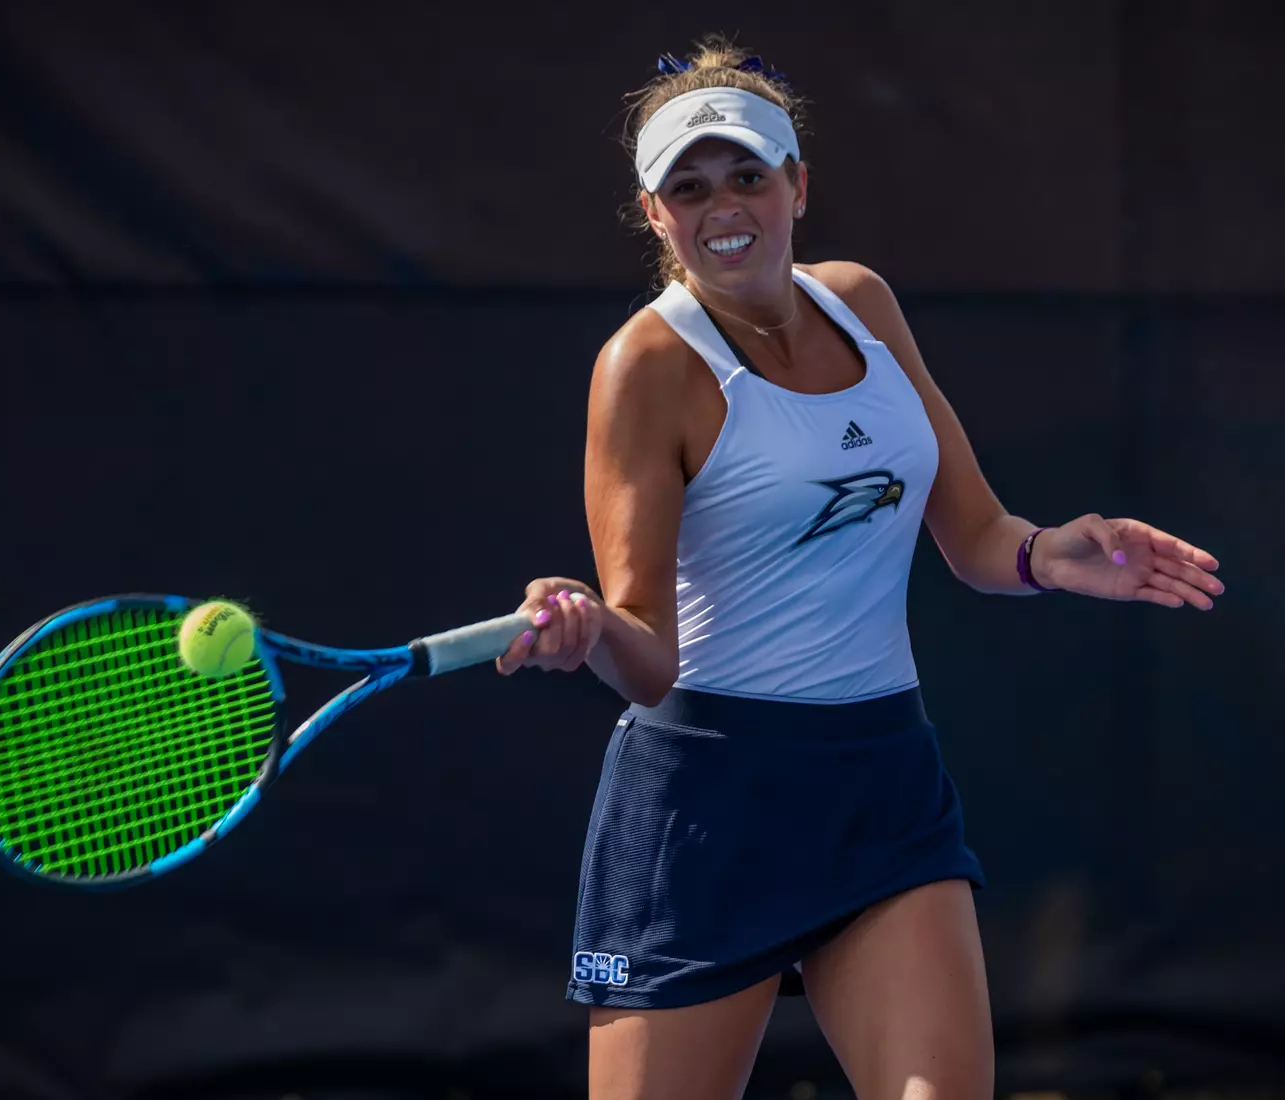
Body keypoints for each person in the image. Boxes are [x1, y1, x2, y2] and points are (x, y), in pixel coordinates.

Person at [494, 38, 1224, 1100]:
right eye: (688, 188)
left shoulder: (863, 305)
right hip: (706, 806)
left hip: (881, 784)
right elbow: (649, 659)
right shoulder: (643, 367)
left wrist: (1048, 554)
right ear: (655, 214)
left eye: (746, 175)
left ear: (797, 185)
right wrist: (593, 624)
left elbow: (978, 537)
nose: (722, 206)